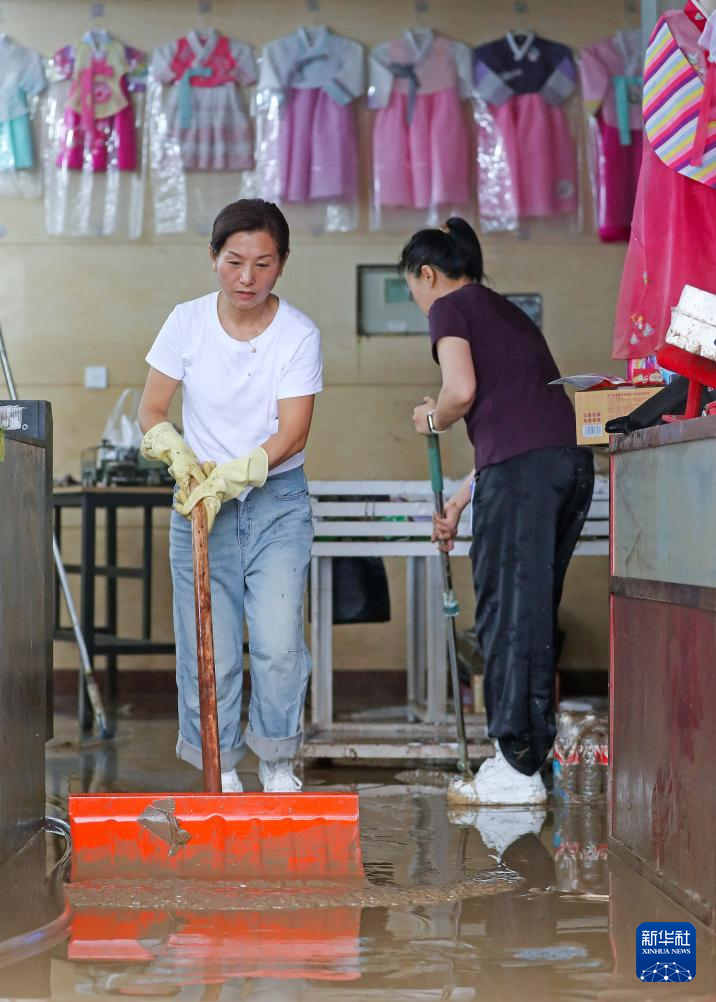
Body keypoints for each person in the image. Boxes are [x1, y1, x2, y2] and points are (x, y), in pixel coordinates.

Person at [401, 217, 594, 805]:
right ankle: (526, 761)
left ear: (427, 273)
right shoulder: (506, 312)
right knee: (529, 608)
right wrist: (460, 500)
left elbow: (458, 390)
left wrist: (434, 417)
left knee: (507, 613)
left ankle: (515, 765)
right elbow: (522, 431)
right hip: (565, 468)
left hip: (526, 474)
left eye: (413, 286)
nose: (417, 300)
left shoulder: (451, 308)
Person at [138, 198, 322, 794]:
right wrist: (176, 454)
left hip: (275, 503)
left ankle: (276, 760)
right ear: (213, 257)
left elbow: (293, 431)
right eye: (235, 261)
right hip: (199, 503)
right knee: (207, 647)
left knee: (274, 644)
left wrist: (236, 475)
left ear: (283, 264)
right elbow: (152, 408)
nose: (247, 277)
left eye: (263, 264)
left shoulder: (298, 334)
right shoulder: (185, 322)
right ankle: (221, 766)